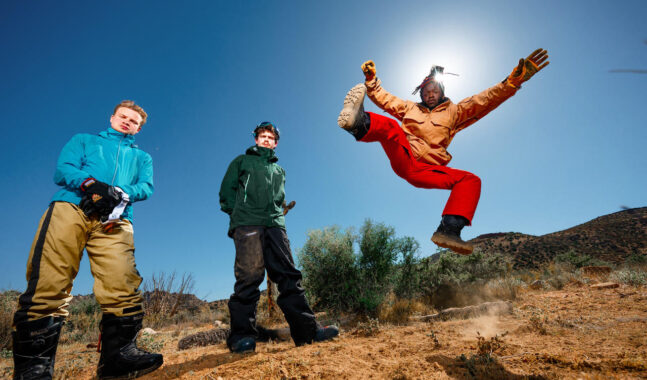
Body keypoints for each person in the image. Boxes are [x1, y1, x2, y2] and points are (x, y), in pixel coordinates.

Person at [337, 49, 549, 255]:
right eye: (427, 92)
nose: (430, 95)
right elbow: (385, 99)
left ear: (441, 93)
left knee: (470, 180)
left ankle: (448, 231)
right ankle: (357, 122)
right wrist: (372, 80)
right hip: (405, 156)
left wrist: (511, 83)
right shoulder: (410, 108)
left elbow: (484, 100)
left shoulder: (454, 112)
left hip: (428, 169)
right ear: (421, 94)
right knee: (392, 128)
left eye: (434, 92)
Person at [12, 100, 163, 379]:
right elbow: (64, 169)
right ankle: (34, 369)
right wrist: (93, 186)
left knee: (123, 281)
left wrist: (116, 193)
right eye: (123, 117)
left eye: (134, 121)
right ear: (112, 117)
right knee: (50, 279)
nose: (127, 122)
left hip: (115, 220)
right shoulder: (83, 140)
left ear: (139, 129)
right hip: (71, 207)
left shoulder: (143, 158)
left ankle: (117, 359)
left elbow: (146, 187)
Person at [219, 122, 339, 353]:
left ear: (276, 143)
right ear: (256, 139)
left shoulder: (279, 170)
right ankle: (241, 338)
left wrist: (276, 217)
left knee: (289, 276)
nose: (266, 139)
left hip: (275, 225)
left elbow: (277, 199)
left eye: (270, 137)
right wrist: (239, 214)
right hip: (248, 224)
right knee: (249, 278)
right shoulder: (241, 161)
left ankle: (308, 332)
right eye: (262, 136)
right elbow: (226, 192)